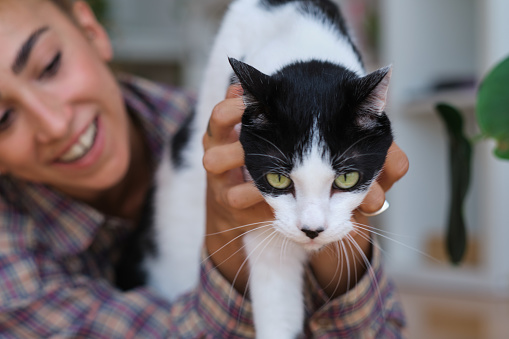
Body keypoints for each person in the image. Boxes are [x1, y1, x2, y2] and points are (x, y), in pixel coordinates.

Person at [0, 0, 409, 337]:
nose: (53, 124)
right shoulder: (9, 268)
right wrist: (227, 238)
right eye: (2, 118)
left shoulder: (222, 115)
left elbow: (387, 329)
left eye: (49, 65)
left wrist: (344, 242)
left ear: (90, 29)